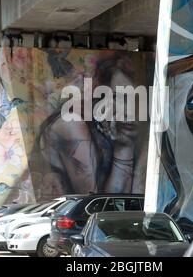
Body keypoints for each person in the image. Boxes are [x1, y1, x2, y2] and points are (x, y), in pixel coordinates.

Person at [31, 55, 149, 200]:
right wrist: (123, 148)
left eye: (137, 99)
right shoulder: (72, 124)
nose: (129, 110)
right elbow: (99, 204)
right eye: (119, 97)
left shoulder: (124, 128)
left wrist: (126, 145)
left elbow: (131, 200)